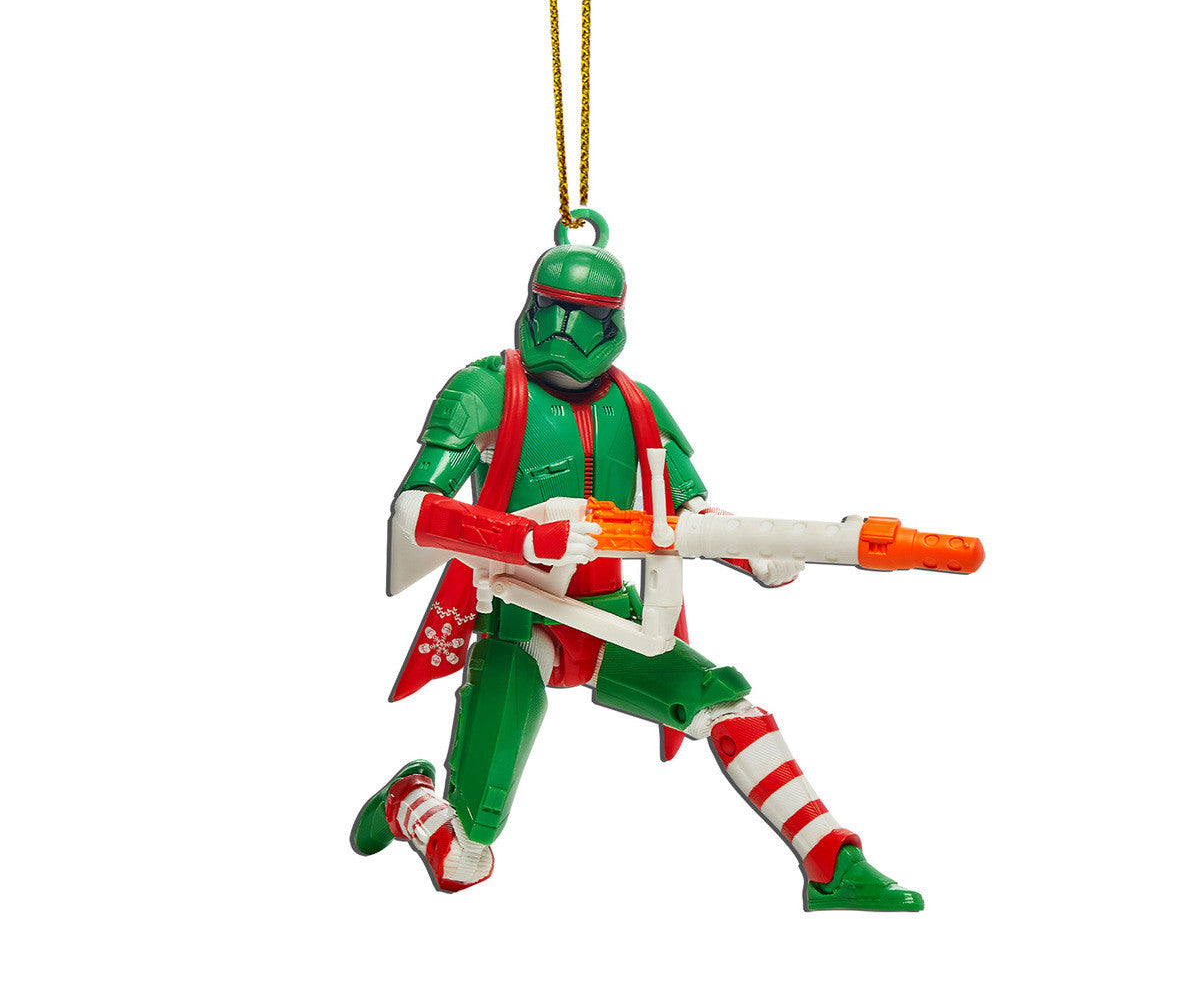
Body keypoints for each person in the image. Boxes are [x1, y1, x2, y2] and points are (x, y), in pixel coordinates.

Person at [351, 214, 922, 910]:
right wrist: (525, 539)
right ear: (531, 305)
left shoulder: (636, 405)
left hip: (612, 620)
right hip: (516, 621)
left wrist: (754, 550)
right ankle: (409, 800)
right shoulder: (485, 390)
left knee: (731, 709)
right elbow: (417, 508)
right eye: (551, 309)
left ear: (614, 321)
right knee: (465, 859)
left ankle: (832, 864)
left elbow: (691, 513)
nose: (564, 330)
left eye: (584, 315)